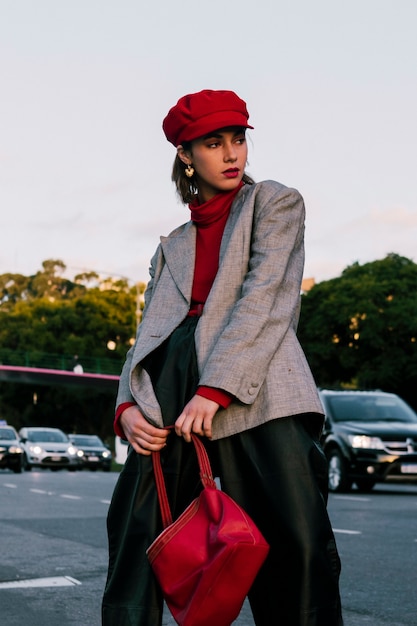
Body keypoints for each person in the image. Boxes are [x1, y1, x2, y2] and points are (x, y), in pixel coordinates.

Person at [102, 89, 343, 626]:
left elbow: (266, 299)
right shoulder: (172, 245)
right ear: (187, 155)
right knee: (136, 539)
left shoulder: (276, 203)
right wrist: (125, 409)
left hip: (261, 394)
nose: (233, 154)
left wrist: (215, 389)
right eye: (214, 143)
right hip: (167, 397)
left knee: (298, 547)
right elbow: (147, 334)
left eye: (238, 139)